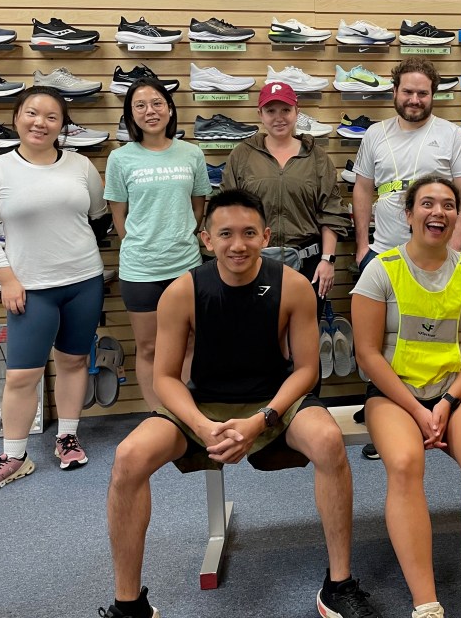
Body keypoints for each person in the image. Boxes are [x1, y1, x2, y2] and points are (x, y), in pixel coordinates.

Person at [102, 189, 379, 618]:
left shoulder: (292, 286)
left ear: (265, 236)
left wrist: (261, 419)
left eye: (250, 233)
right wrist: (198, 424)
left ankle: (338, 585)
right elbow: (164, 378)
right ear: (206, 239)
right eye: (226, 234)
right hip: (202, 405)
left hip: (276, 402)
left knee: (327, 440)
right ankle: (128, 605)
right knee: (128, 456)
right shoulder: (181, 292)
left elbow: (307, 370)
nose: (238, 244)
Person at [351, 175, 461, 618]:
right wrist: (416, 408)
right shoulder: (381, 270)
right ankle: (426, 604)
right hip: (394, 395)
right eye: (426, 204)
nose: (437, 212)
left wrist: (446, 403)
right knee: (404, 463)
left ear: (458, 216)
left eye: (447, 205)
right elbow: (367, 353)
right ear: (408, 214)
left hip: (455, 392)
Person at [0, 86, 108, 493]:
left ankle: (67, 436)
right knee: (22, 375)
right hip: (30, 289)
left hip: (84, 281)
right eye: (32, 113)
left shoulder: (82, 166)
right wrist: (6, 277)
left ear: (62, 125)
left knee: (73, 362)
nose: (40, 122)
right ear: (16, 117)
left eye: (51, 116)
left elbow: (98, 218)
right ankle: (15, 455)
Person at [352, 57, 461, 459]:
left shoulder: (452, 134)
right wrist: (361, 243)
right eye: (407, 91)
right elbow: (363, 190)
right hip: (384, 251)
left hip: (436, 257)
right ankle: (386, 418)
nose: (414, 99)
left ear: (433, 95)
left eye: (423, 92)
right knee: (380, 342)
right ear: (395, 92)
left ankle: (441, 410)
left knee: (429, 337)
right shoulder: (375, 134)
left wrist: (454, 247)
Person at [104, 77, 210, 409]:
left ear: (169, 109)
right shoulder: (120, 159)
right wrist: (139, 243)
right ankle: (159, 416)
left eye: (157, 103)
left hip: (185, 265)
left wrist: (180, 235)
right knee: (149, 347)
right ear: (130, 114)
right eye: (140, 105)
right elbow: (118, 215)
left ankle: (187, 412)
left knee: (190, 342)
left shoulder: (192, 153)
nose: (150, 111)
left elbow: (198, 206)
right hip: (141, 269)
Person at [222, 81, 347, 316]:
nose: (278, 118)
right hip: (254, 261)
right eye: (270, 111)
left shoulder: (316, 157)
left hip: (307, 263)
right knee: (257, 335)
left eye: (286, 110)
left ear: (297, 112)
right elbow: (228, 212)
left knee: (303, 337)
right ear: (260, 114)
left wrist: (328, 260)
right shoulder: (242, 155)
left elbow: (330, 211)